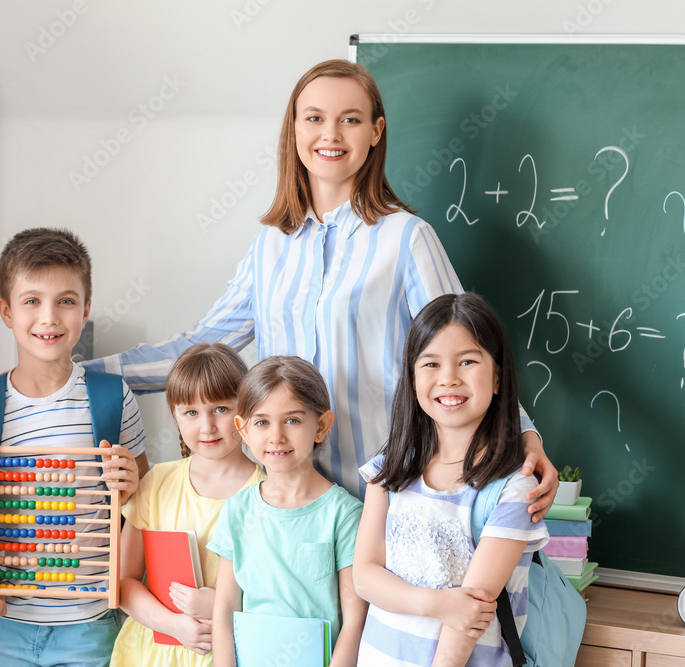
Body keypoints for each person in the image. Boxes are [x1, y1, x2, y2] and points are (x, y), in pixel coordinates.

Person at [83, 59, 558, 511]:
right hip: (289, 495)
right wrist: (79, 374)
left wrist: (526, 436)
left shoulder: (406, 238)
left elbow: (467, 353)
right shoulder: (270, 245)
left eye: (350, 120)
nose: (330, 134)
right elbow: (199, 350)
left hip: (387, 491)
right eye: (314, 118)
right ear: (294, 129)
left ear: (375, 132)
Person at [0, 227, 149, 667]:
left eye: (66, 300)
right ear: (6, 311)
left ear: (85, 312)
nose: (49, 317)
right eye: (31, 301)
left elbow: (145, 502)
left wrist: (133, 483)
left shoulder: (112, 397)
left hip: (92, 621)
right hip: (7, 622)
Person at [354, 292, 550, 665]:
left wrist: (450, 610)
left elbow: (469, 619)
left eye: (467, 361)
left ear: (497, 379)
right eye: (430, 364)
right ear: (412, 380)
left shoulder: (514, 489)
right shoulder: (388, 471)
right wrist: (439, 604)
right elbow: (365, 576)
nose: (448, 378)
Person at [111, 343, 264, 666]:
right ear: (176, 416)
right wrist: (174, 625)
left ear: (245, 410)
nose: (206, 426)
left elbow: (282, 597)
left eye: (221, 409)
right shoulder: (156, 483)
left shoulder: (269, 493)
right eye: (191, 412)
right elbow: (123, 582)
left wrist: (226, 606)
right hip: (150, 653)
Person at [209, 356, 367, 667]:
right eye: (262, 422)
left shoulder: (344, 515)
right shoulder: (237, 511)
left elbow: (355, 619)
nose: (276, 436)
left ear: (320, 426)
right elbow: (225, 609)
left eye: (292, 420)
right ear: (243, 430)